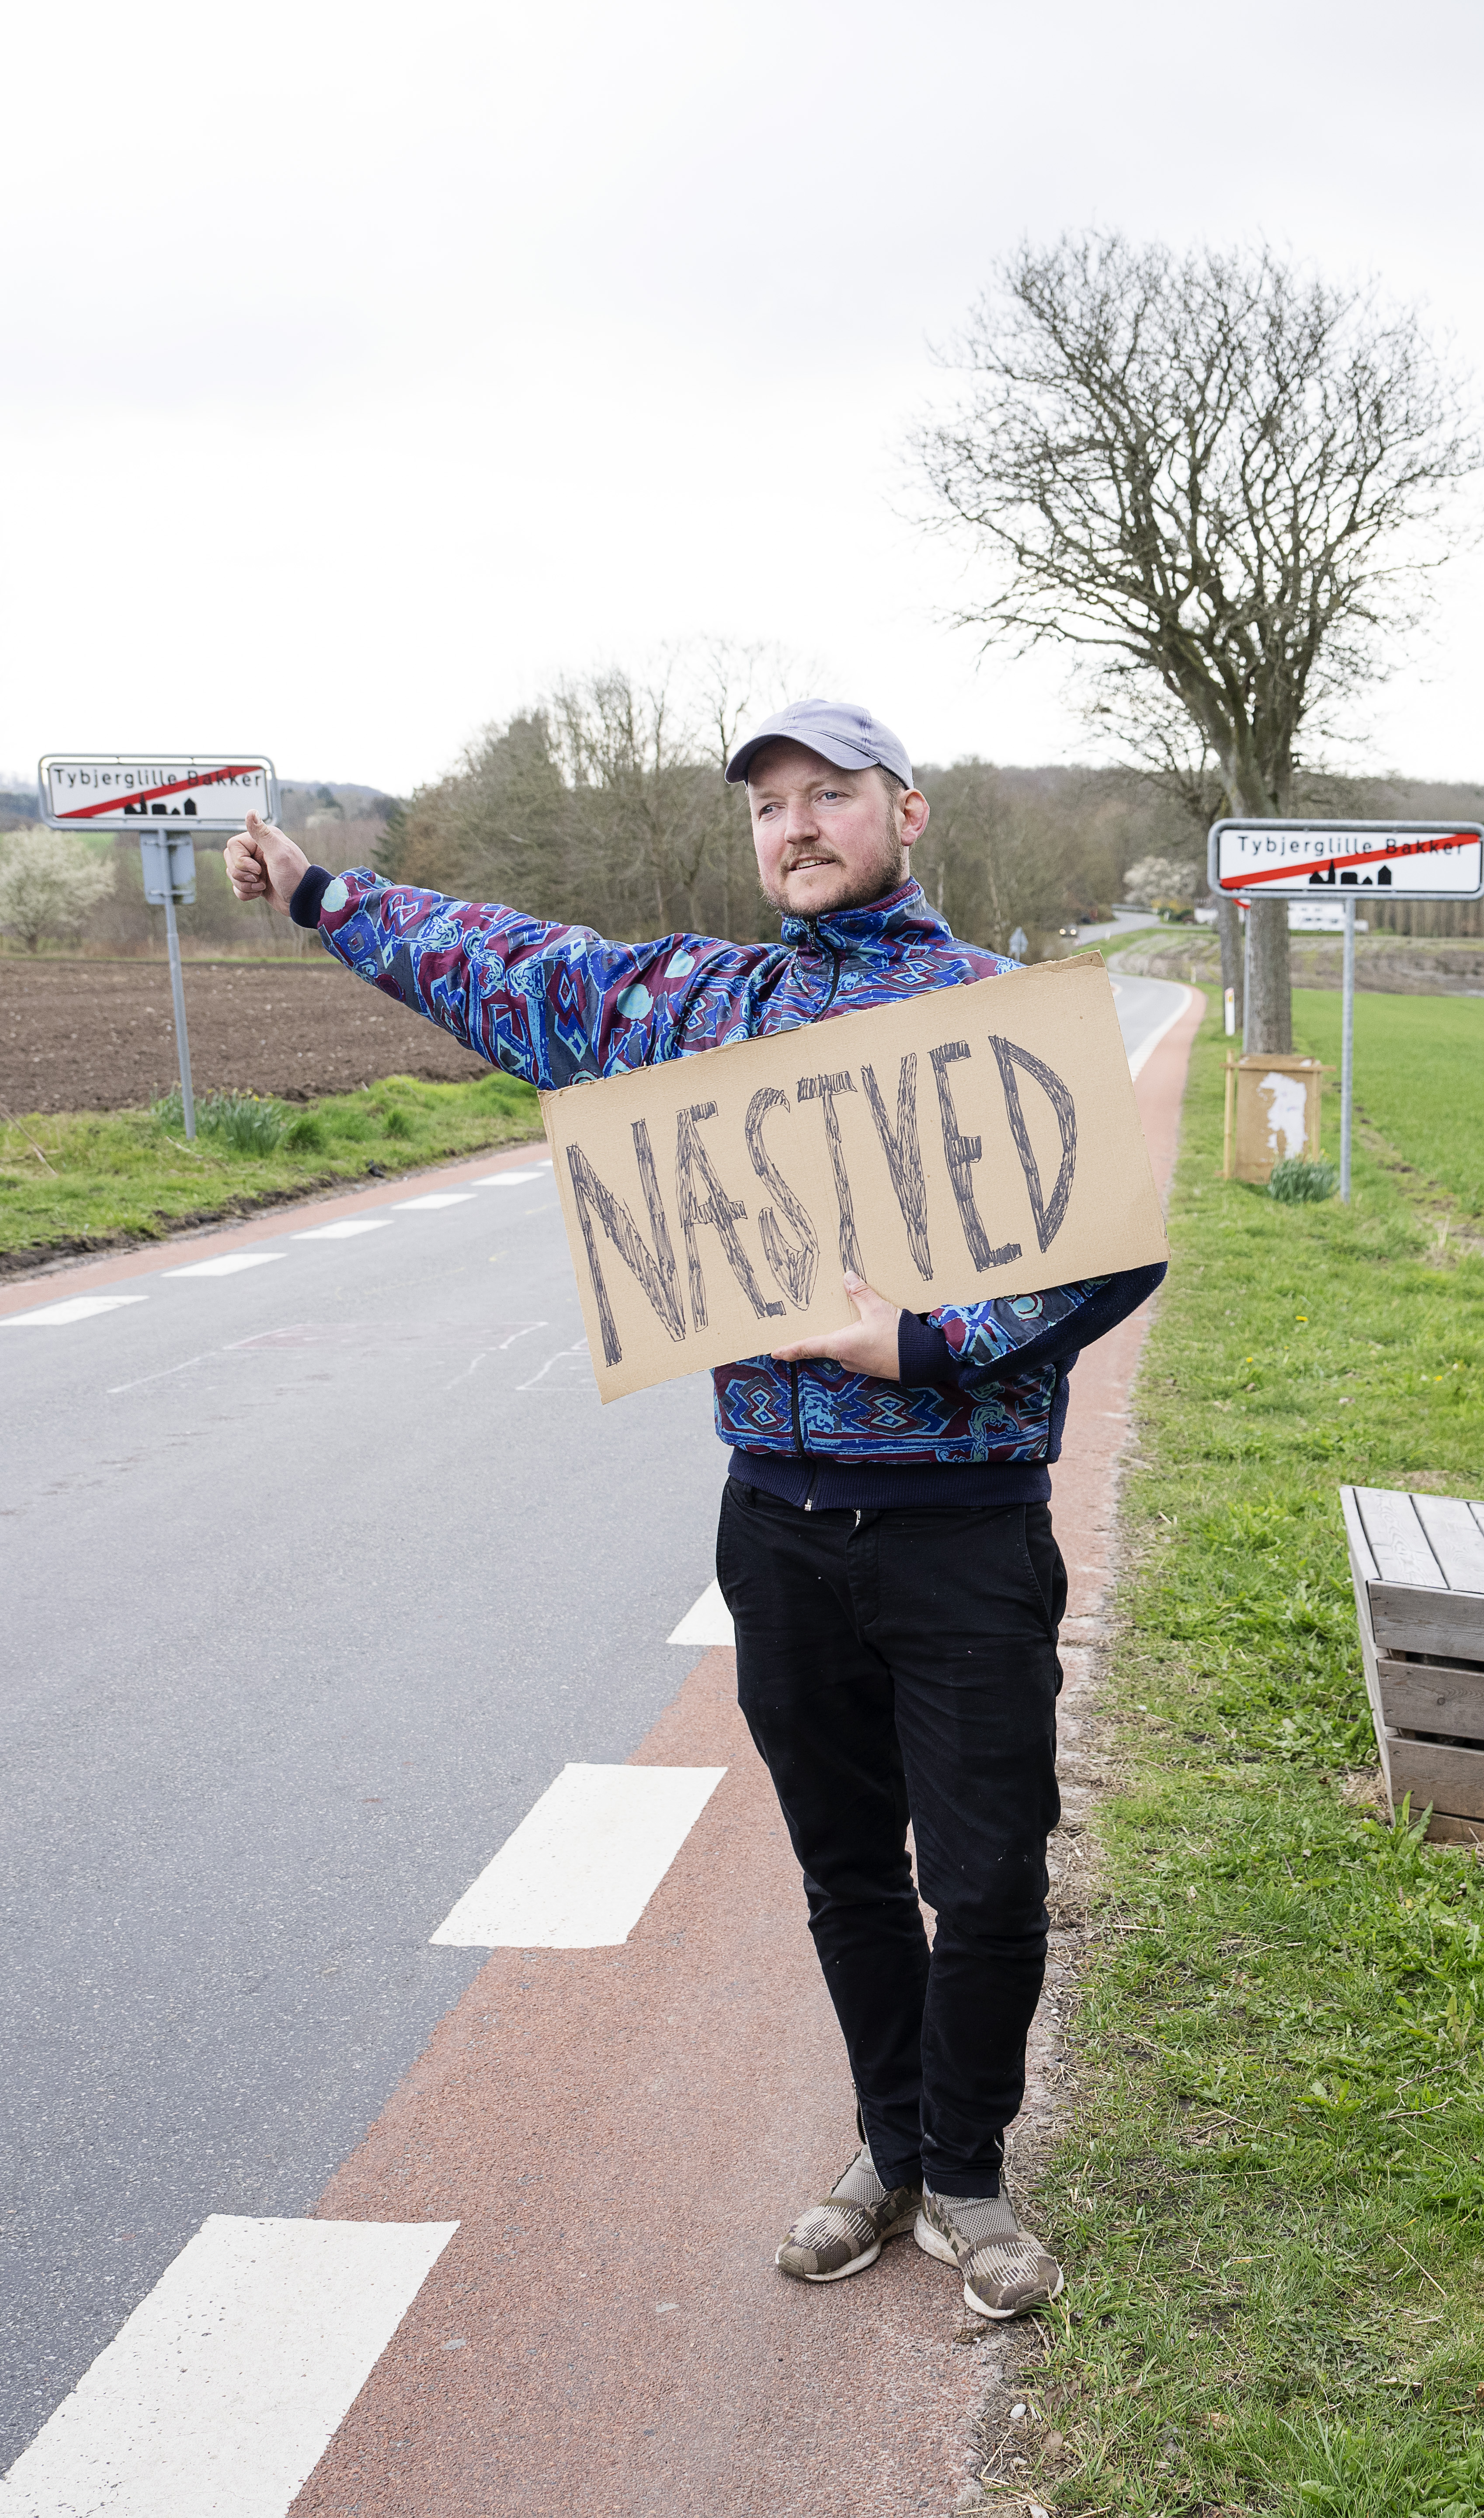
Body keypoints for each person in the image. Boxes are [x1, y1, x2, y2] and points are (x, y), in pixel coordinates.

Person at [223, 699, 1155, 2320]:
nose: (796, 827)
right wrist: (325, 897)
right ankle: (891, 2152)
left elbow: (1113, 1246)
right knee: (847, 1865)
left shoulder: (1003, 1017)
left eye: (830, 797)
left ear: (907, 815)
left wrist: (928, 1344)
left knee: (990, 1870)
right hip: (780, 1527)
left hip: (964, 1524)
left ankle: (974, 2175)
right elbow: (505, 961)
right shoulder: (695, 1010)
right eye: (771, 806)